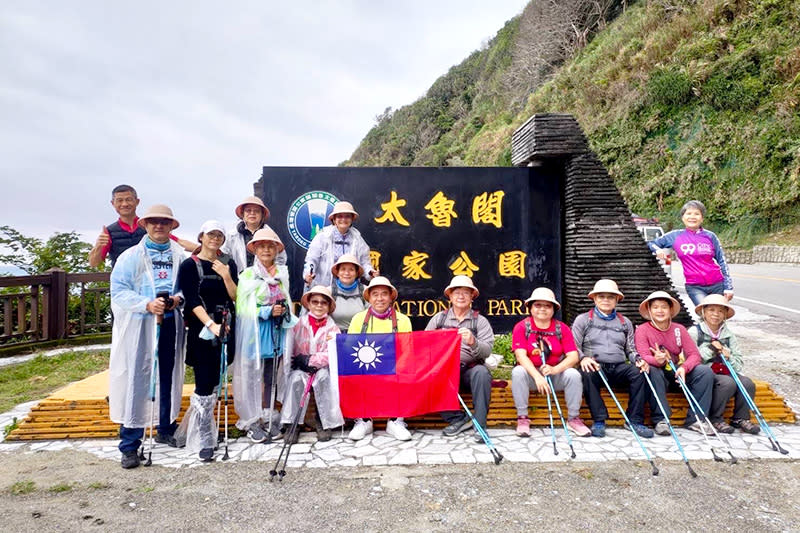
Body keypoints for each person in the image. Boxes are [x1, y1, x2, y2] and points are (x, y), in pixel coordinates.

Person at [108, 204, 187, 469]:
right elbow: (118, 290)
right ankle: (130, 443)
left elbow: (186, 288)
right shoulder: (131, 256)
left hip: (169, 322)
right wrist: (145, 304)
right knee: (137, 378)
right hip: (140, 326)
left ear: (172, 226)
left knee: (167, 373)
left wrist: (177, 300)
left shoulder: (179, 256)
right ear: (145, 225)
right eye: (154, 222)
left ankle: (165, 427)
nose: (159, 226)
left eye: (164, 222)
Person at [176, 220, 238, 461]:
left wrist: (226, 276)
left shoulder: (228, 263)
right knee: (203, 382)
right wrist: (211, 325)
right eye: (210, 235)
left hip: (226, 325)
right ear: (201, 236)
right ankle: (204, 438)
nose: (214, 239)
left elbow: (235, 296)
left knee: (217, 380)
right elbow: (191, 299)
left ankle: (209, 428)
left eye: (219, 235)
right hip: (202, 328)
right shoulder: (189, 266)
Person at [232, 227, 297, 443]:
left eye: (271, 246)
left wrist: (284, 311)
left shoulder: (282, 274)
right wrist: (267, 311)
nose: (267, 250)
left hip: (276, 332)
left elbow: (287, 300)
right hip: (255, 334)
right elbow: (242, 308)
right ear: (255, 250)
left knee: (270, 376)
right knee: (253, 375)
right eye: (262, 246)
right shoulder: (248, 276)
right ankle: (253, 419)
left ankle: (268, 414)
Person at [573, 280, 653, 438]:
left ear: (617, 300)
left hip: (618, 367)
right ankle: (599, 420)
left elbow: (630, 349)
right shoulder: (583, 320)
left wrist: (638, 359)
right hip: (595, 366)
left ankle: (634, 420)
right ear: (594, 299)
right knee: (587, 372)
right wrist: (582, 358)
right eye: (601, 296)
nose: (606, 300)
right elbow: (574, 345)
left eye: (610, 297)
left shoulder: (625, 322)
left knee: (640, 372)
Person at [511, 287, 591, 438]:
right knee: (518, 371)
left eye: (547, 306)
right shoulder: (522, 327)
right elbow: (521, 356)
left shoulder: (562, 328)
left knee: (573, 374)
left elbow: (573, 356)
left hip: (554, 374)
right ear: (530, 307)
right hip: (532, 376)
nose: (542, 309)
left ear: (554, 309)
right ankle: (522, 418)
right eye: (538, 305)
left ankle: (573, 418)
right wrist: (537, 376)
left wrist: (554, 370)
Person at [425, 275, 493, 442]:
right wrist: (436, 341)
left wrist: (473, 342)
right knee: (429, 377)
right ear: (450, 296)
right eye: (457, 293)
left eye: (465, 293)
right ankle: (458, 418)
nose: (461, 296)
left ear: (472, 297)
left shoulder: (480, 321)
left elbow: (487, 351)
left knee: (482, 373)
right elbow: (424, 346)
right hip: (445, 370)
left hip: (468, 371)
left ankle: (480, 425)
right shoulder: (439, 319)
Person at [635, 291, 714, 435]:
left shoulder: (679, 329)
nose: (660, 311)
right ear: (649, 310)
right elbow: (643, 356)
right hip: (657, 372)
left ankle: (696, 419)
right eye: (655, 307)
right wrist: (657, 360)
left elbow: (694, 355)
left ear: (670, 310)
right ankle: (661, 419)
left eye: (664, 307)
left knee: (705, 372)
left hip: (676, 370)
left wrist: (684, 367)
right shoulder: (642, 330)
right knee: (652, 370)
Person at [346, 276, 413, 441]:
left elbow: (407, 350)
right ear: (369, 297)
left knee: (406, 372)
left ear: (391, 297)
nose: (380, 298)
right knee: (350, 373)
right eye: (375, 294)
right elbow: (349, 349)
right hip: (366, 368)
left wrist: (396, 368)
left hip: (394, 367)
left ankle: (396, 421)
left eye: (384, 294)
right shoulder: (358, 319)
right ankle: (363, 421)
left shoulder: (403, 320)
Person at [689, 294, 760, 434]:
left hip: (726, 370)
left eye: (721, 311)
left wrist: (728, 356)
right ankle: (715, 418)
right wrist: (712, 349)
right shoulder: (694, 332)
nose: (716, 314)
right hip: (705, 373)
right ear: (704, 312)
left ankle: (740, 418)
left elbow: (739, 363)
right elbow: (691, 358)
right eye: (711, 310)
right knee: (727, 383)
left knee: (747, 383)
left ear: (725, 315)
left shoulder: (729, 335)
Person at [281, 286, 344, 443]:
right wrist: (300, 361)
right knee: (295, 379)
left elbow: (332, 353)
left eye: (323, 302)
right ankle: (292, 424)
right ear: (308, 304)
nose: (319, 305)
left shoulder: (333, 328)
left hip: (322, 368)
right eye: (315, 302)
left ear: (329, 307)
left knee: (323, 379)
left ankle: (324, 422)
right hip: (301, 368)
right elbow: (290, 347)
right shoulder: (298, 323)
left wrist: (311, 360)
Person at [648, 200, 733, 305]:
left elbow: (722, 261)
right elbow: (651, 243)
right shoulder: (675, 236)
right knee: (705, 313)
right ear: (683, 217)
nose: (692, 217)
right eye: (688, 213)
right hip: (695, 287)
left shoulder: (710, 236)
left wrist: (728, 287)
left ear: (702, 218)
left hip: (717, 284)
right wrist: (657, 250)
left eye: (697, 214)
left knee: (718, 316)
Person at [89, 184, 196, 268]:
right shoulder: (109, 232)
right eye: (120, 200)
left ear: (137, 201)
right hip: (124, 283)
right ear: (113, 203)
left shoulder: (149, 225)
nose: (124, 204)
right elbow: (94, 263)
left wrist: (206, 249)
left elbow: (179, 243)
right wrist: (99, 245)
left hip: (149, 281)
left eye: (129, 199)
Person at [303, 201, 376, 289]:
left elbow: (365, 262)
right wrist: (308, 274)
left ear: (352, 219)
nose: (343, 219)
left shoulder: (357, 239)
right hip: (323, 287)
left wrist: (370, 273)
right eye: (340, 216)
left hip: (348, 288)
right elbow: (311, 259)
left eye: (347, 216)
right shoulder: (323, 237)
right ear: (334, 219)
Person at [223, 195, 286, 273]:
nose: (252, 213)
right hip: (237, 281)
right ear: (243, 214)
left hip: (264, 281)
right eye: (248, 210)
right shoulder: (232, 235)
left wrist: (270, 274)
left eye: (256, 211)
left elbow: (281, 258)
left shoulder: (270, 234)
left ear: (262, 215)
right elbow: (224, 255)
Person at [329, 254, 368, 331]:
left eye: (351, 270)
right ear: (337, 272)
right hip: (335, 337)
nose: (347, 273)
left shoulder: (365, 291)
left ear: (357, 273)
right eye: (343, 269)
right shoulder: (328, 292)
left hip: (360, 338)